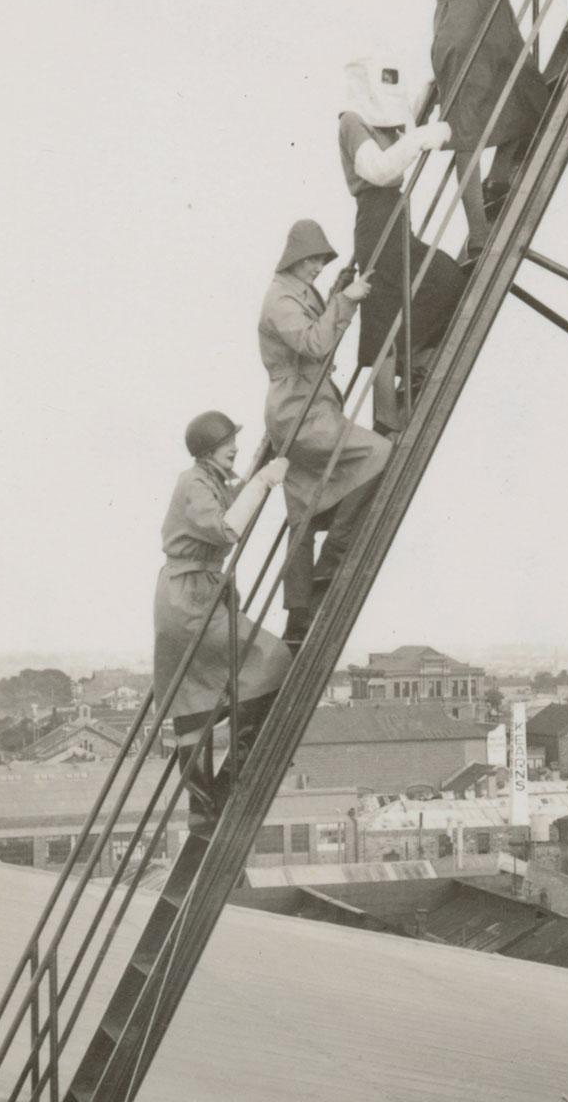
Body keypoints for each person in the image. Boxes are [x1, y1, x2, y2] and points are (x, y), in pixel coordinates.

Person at [153, 411, 292, 834]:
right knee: (272, 659)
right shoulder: (193, 483)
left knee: (193, 702)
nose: (233, 447)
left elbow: (234, 499)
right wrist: (266, 480)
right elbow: (228, 527)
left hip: (190, 594)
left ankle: (203, 808)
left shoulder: (206, 480)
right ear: (209, 448)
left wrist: (259, 464)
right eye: (228, 441)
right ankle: (230, 777)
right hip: (191, 596)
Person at [258, 219, 392, 649]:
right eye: (313, 259)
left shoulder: (297, 292)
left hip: (303, 409)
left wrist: (337, 294)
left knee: (303, 510)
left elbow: (316, 332)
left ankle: (298, 617)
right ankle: (330, 564)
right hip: (302, 412)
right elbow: (314, 344)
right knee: (378, 453)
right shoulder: (281, 300)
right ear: (296, 258)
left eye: (322, 260)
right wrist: (346, 302)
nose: (317, 266)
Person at [432, 0, 564, 256]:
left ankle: (500, 177)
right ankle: (478, 233)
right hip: (470, 29)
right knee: (467, 130)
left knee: (527, 97)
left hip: (486, 25)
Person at [338, 55, 464, 428]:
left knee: (441, 280)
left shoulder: (375, 117)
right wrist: (422, 138)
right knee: (385, 312)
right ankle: (385, 417)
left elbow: (402, 132)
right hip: (376, 217)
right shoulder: (351, 121)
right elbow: (377, 169)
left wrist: (429, 91)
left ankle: (412, 365)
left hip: (393, 215)